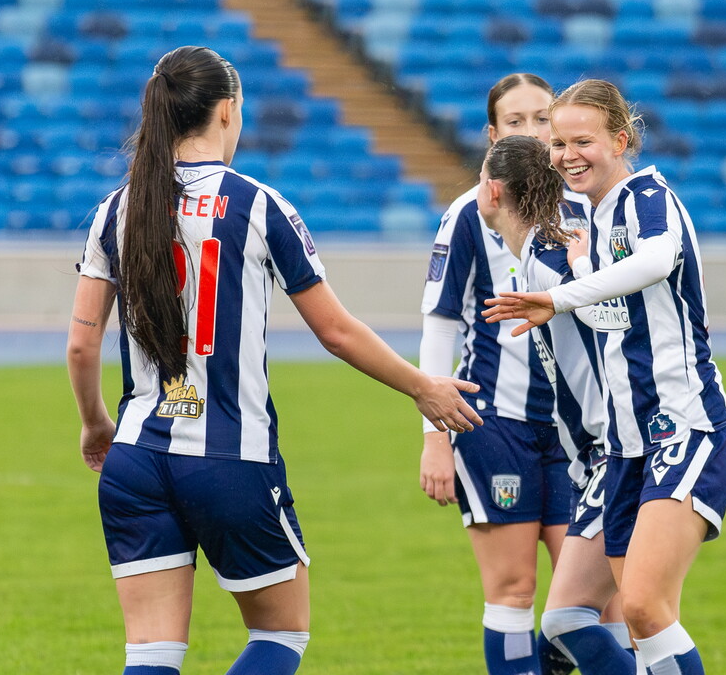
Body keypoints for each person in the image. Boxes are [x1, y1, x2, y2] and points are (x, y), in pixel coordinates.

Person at [66, 45, 482, 675]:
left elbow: (80, 344)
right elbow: (336, 332)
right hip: (230, 457)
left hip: (136, 458)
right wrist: (422, 387)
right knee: (280, 637)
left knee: (150, 653)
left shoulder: (115, 210)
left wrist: (97, 423)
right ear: (227, 111)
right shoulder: (259, 204)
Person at [483, 79, 726, 675]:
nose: (568, 155)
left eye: (583, 141)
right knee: (599, 619)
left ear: (621, 140)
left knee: (647, 607)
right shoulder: (588, 223)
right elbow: (611, 317)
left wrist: (561, 295)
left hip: (685, 425)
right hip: (626, 448)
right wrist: (574, 279)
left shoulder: (648, 196)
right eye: (557, 144)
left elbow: (654, 261)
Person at [418, 74, 579, 675]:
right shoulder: (467, 214)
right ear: (493, 136)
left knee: (590, 592)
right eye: (517, 122)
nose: (533, 132)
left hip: (576, 433)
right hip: (493, 425)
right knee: (514, 588)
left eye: (544, 119)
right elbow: (439, 325)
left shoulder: (584, 208)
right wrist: (435, 436)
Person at [475, 134, 637, 675]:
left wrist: (585, 273)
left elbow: (611, 312)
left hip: (611, 449)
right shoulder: (540, 254)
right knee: (588, 617)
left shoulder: (548, 260)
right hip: (599, 453)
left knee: (574, 620)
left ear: (493, 191)